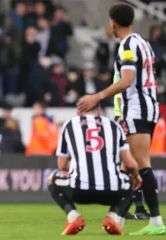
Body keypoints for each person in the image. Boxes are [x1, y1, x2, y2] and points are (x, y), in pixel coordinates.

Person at [77, 3, 165, 235]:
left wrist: (97, 96)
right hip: (147, 107)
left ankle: (155, 222)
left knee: (140, 164)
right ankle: (118, 218)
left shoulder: (127, 45)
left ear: (114, 22)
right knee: (128, 165)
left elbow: (126, 80)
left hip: (136, 110)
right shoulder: (144, 43)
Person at [50, 102, 141, 235]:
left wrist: (79, 164)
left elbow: (62, 166)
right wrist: (136, 176)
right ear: (98, 111)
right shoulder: (114, 126)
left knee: (52, 179)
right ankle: (113, 217)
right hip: (110, 191)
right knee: (129, 181)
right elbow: (130, 164)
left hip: (79, 190)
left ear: (78, 112)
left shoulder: (69, 125)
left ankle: (73, 216)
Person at [113, 73, 149, 220]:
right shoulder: (125, 71)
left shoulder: (126, 69)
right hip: (126, 117)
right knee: (131, 162)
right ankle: (125, 207)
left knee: (132, 163)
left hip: (130, 117)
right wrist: (123, 114)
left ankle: (124, 207)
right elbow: (121, 94)